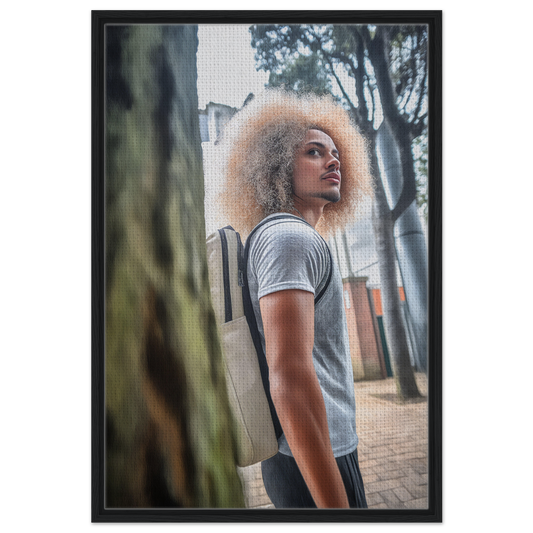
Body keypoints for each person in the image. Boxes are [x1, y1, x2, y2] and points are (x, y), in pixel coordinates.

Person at [217, 89, 374, 509]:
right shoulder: (288, 237)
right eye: (314, 151)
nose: (333, 160)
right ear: (277, 166)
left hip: (301, 450)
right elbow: (290, 378)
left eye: (336, 152)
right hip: (314, 457)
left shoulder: (282, 237)